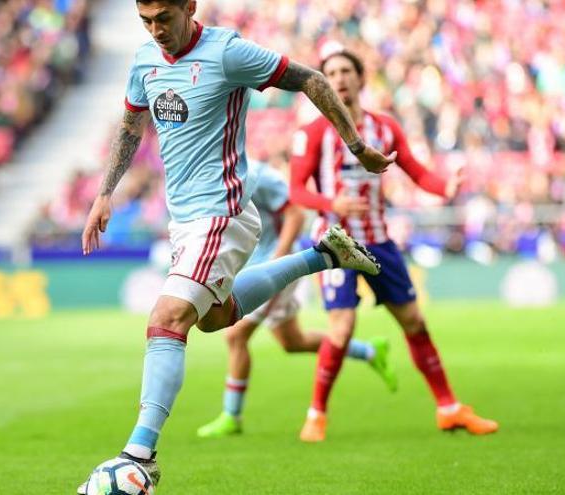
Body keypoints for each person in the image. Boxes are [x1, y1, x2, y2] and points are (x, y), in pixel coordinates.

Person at [76, 1, 395, 490]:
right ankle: (323, 255)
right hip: (183, 221)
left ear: (190, 6)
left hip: (220, 214)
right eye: (146, 20)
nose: (156, 29)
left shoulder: (227, 53)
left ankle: (139, 454)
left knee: (166, 320)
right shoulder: (145, 60)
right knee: (215, 318)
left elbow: (310, 78)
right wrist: (104, 194)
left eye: (164, 17)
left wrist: (355, 145)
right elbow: (129, 126)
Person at [289, 45, 498, 442]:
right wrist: (331, 202)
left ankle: (449, 408)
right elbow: (297, 191)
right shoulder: (313, 132)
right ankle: (316, 414)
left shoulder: (384, 127)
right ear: (323, 83)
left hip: (379, 242)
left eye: (346, 71)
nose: (339, 79)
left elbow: (419, 173)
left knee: (414, 321)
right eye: (330, 73)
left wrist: (446, 186)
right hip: (335, 245)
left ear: (360, 78)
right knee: (342, 326)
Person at [196, 161, 397, 439]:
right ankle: (370, 351)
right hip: (250, 269)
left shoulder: (258, 176)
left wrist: (277, 262)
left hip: (274, 269)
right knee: (292, 342)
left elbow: (295, 214)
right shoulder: (216, 174)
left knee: (235, 335)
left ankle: (232, 416)